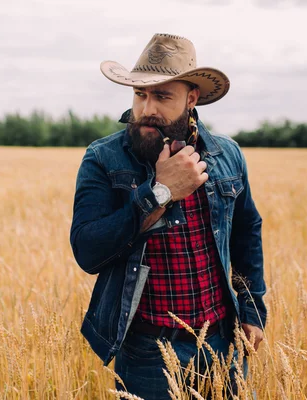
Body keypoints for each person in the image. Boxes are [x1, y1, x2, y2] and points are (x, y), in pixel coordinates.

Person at [70, 33, 266, 399]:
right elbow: (87, 250)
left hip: (224, 344)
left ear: (191, 99)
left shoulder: (227, 156)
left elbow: (246, 231)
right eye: (140, 94)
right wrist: (160, 192)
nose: (147, 109)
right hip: (148, 353)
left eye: (162, 96)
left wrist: (253, 309)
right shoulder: (103, 159)